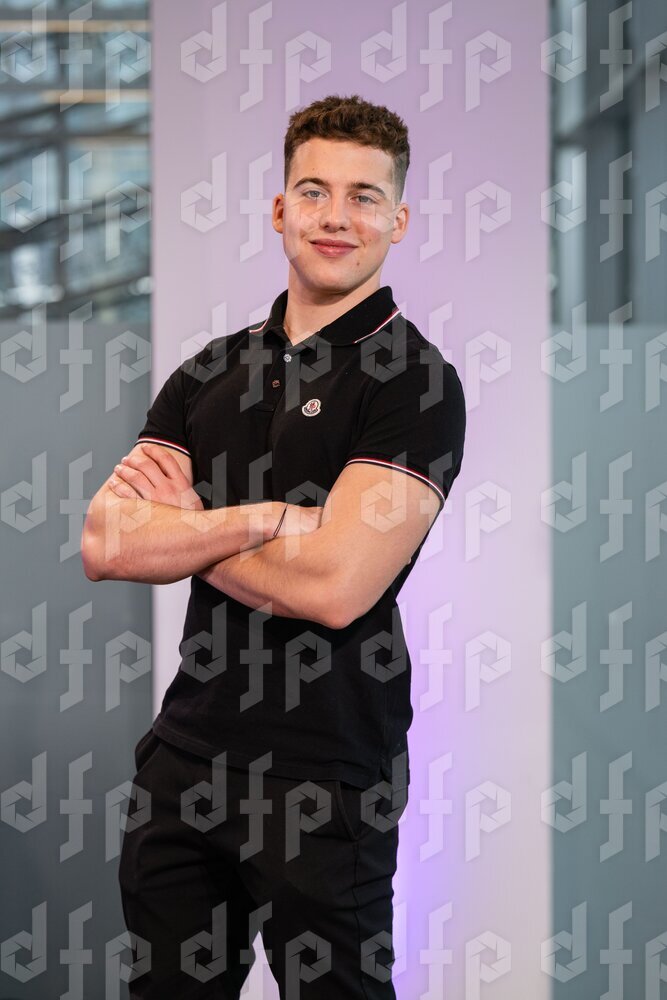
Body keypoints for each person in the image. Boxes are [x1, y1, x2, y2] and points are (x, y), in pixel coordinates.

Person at [82, 93, 466, 999]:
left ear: (398, 220)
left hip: (326, 774)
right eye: (315, 191)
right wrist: (261, 520)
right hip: (186, 758)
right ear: (279, 208)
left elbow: (335, 588)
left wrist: (184, 527)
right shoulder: (208, 371)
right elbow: (106, 542)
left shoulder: (415, 382)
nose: (336, 216)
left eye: (364, 197)